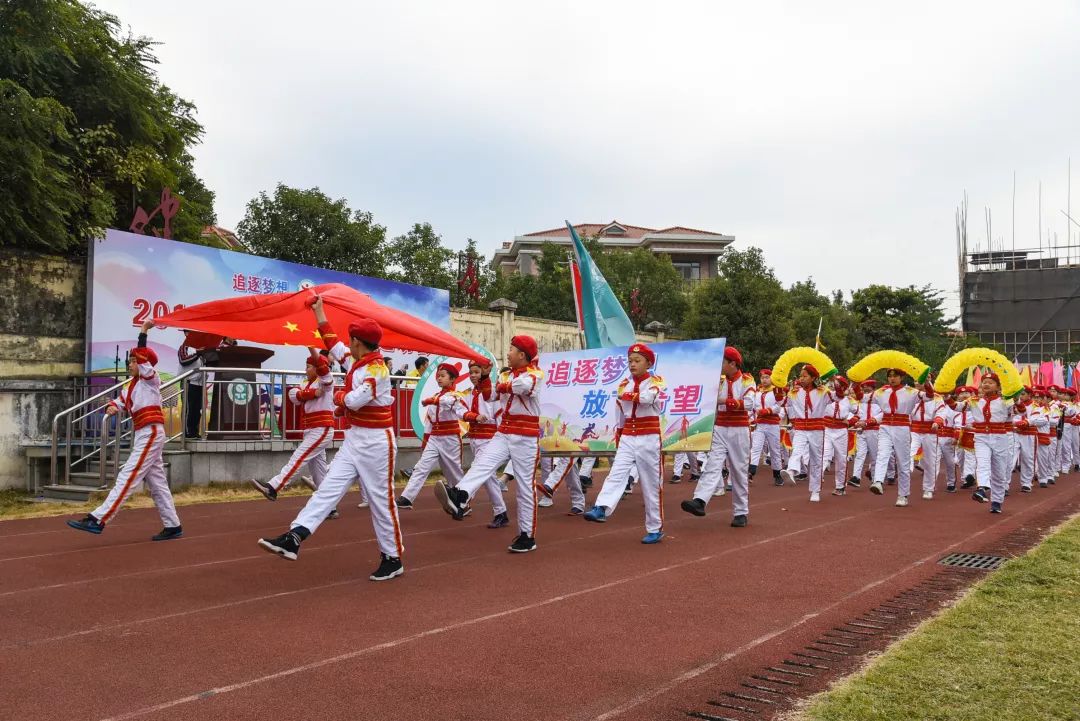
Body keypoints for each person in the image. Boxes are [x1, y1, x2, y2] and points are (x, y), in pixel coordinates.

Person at [257, 296, 403, 581]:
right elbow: (333, 343)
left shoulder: (377, 370)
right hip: (354, 440)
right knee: (327, 490)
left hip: (376, 443)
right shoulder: (359, 361)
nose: (346, 345)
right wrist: (319, 311)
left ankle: (393, 557)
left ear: (359, 342)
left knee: (381, 501)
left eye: (351, 340)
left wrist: (337, 398)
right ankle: (295, 537)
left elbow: (353, 400)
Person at [67, 320, 182, 541]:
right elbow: (121, 401)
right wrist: (113, 407)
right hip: (145, 433)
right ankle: (173, 525)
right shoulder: (130, 386)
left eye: (133, 361)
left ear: (145, 364)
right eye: (130, 361)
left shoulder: (151, 379)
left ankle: (99, 518)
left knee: (128, 475)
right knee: (157, 483)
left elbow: (142, 357)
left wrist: (144, 331)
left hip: (150, 432)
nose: (130, 364)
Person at [434, 336, 543, 553]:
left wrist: (501, 385)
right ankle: (461, 496)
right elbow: (491, 395)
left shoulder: (536, 374)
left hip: (526, 436)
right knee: (482, 463)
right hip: (503, 433)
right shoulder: (505, 374)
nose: (508, 352)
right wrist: (485, 377)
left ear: (522, 355)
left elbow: (523, 387)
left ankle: (527, 535)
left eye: (511, 349)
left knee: (524, 487)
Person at [584, 344, 667, 542]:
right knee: (616, 472)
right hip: (629, 435)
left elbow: (648, 398)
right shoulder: (624, 384)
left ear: (648, 363)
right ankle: (601, 507)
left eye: (637, 361)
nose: (632, 365)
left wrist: (630, 396)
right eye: (630, 361)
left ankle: (655, 528)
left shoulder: (656, 381)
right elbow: (620, 413)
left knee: (651, 483)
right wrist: (619, 435)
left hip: (649, 437)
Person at [250, 349, 336, 509]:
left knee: (298, 458)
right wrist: (311, 394)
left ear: (317, 367)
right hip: (311, 429)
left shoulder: (325, 380)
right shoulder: (306, 383)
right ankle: (329, 507)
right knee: (319, 472)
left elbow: (324, 373)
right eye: (306, 366)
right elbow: (293, 395)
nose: (306, 369)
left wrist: (312, 349)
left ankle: (274, 487)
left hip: (321, 428)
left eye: (309, 366)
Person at [680, 346, 755, 524]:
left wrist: (724, 401)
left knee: (738, 471)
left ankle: (740, 512)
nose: (719, 365)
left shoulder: (747, 380)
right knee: (712, 465)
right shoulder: (718, 381)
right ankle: (699, 501)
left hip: (739, 430)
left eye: (722, 362)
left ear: (732, 363)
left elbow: (750, 403)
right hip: (720, 428)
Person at [860, 368, 934, 507]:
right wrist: (857, 382)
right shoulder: (881, 391)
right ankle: (878, 481)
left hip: (902, 427)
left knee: (903, 462)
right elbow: (863, 398)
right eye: (890, 376)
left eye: (895, 376)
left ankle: (903, 495)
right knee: (882, 454)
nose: (892, 379)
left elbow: (929, 396)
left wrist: (928, 383)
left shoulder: (910, 392)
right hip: (885, 425)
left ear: (901, 378)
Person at [398, 363, 470, 509]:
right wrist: (425, 443)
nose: (439, 378)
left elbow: (456, 404)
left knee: (454, 473)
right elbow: (429, 422)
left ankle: (463, 502)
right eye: (438, 376)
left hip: (450, 439)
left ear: (452, 380)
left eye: (443, 376)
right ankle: (407, 498)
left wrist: (434, 400)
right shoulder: (436, 397)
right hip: (434, 438)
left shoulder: (454, 396)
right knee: (421, 467)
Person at [460, 358, 512, 527]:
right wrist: (473, 416)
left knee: (479, 469)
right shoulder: (469, 393)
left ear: (483, 372)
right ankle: (501, 512)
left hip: (489, 439)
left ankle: (461, 500)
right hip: (475, 438)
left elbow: (498, 416)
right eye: (471, 373)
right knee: (488, 477)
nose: (473, 375)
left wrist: (500, 438)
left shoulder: (490, 393)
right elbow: (461, 411)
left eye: (477, 372)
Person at [778, 364, 834, 502]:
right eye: (800, 376)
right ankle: (791, 471)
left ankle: (815, 490)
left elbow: (837, 397)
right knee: (797, 450)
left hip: (816, 429)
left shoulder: (823, 392)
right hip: (801, 428)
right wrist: (780, 386)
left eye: (805, 376)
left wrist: (833, 378)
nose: (801, 379)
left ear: (813, 377)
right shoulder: (795, 392)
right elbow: (781, 401)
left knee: (815, 460)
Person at [968, 372, 1019, 513]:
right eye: (984, 382)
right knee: (982, 462)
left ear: (998, 386)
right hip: (981, 437)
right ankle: (982, 488)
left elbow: (1019, 410)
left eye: (990, 382)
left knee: (999, 471)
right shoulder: (974, 400)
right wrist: (947, 395)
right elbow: (955, 406)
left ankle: (997, 501)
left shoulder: (1005, 400)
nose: (986, 384)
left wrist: (1017, 398)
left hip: (999, 437)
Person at [749, 368, 785, 486]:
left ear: (771, 378)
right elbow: (753, 407)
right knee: (756, 448)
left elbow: (778, 406)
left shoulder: (776, 391)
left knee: (775, 450)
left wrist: (767, 411)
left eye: (766, 377)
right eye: (762, 377)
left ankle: (777, 474)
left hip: (773, 425)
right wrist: (751, 418)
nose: (764, 380)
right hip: (760, 424)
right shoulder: (757, 392)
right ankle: (751, 472)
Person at [909, 384, 945, 500]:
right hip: (914, 429)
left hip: (930, 430)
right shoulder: (910, 394)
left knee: (930, 461)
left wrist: (937, 421)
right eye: (916, 380)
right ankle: (907, 468)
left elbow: (941, 411)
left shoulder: (937, 397)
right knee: (910, 450)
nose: (918, 383)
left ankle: (928, 489)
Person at [1012, 386, 1047, 492]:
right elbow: (1011, 417)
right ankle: (1004, 485)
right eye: (1019, 395)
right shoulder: (1014, 405)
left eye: (1023, 394)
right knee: (1010, 459)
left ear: (1029, 395)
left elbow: (1041, 420)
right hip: (1014, 434)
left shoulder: (1036, 406)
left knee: (1028, 459)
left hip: (1029, 435)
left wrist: (1027, 422)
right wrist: (1015, 424)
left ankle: (1026, 483)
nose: (1020, 397)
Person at [849, 380, 881, 488]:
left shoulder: (879, 398)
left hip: (874, 430)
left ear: (872, 387)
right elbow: (859, 413)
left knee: (874, 455)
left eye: (866, 386)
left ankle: (875, 478)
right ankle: (856, 477)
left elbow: (882, 414)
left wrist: (868, 422)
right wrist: (854, 422)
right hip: (861, 430)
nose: (864, 388)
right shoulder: (862, 400)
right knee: (860, 454)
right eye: (862, 386)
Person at [178, 338, 207, 438]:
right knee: (188, 409)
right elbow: (183, 360)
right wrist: (198, 353)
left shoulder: (203, 349)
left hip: (200, 384)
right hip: (188, 382)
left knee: (197, 409)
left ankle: (194, 432)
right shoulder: (184, 347)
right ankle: (187, 433)